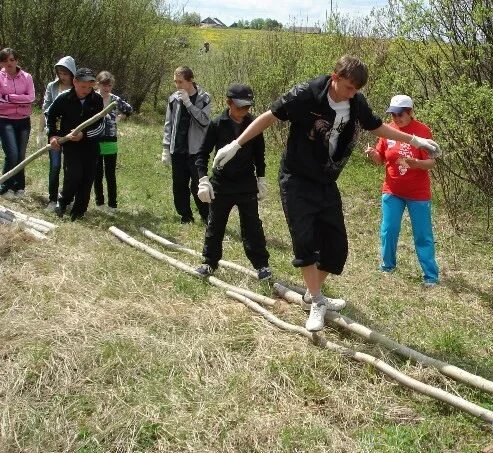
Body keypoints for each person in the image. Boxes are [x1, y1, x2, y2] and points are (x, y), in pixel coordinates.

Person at [211, 55, 440, 331]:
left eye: (356, 90)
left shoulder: (355, 102)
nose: (352, 94)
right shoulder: (306, 94)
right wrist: (236, 144)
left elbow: (376, 126)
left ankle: (312, 294)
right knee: (305, 238)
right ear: (335, 78)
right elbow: (269, 117)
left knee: (337, 247)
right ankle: (317, 301)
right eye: (348, 88)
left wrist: (415, 140)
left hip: (325, 179)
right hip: (296, 177)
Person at [193, 84, 272, 280]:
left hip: (246, 183)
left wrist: (261, 179)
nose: (244, 111)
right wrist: (203, 180)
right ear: (229, 103)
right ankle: (209, 262)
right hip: (222, 184)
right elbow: (202, 155)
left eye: (247, 107)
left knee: (253, 225)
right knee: (215, 224)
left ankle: (262, 265)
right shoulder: (217, 124)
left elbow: (259, 155)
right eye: (240, 107)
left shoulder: (254, 124)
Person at [364, 95, 440, 286]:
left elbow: (432, 162)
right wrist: (373, 154)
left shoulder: (422, 131)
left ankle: (430, 276)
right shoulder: (387, 130)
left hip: (418, 193)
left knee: (422, 234)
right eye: (393, 114)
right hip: (392, 190)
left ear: (410, 112)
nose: (396, 118)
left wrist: (417, 164)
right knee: (389, 229)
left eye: (400, 114)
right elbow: (381, 159)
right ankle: (387, 266)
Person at [47, 68, 105, 221]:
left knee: (87, 178)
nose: (86, 90)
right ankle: (63, 200)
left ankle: (79, 211)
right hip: (70, 144)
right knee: (74, 175)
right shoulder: (64, 98)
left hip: (90, 145)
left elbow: (100, 126)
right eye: (83, 86)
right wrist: (53, 135)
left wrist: (84, 135)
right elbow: (50, 116)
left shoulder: (97, 100)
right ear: (74, 82)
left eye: (89, 87)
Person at [161, 66, 211, 224]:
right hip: (178, 149)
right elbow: (168, 125)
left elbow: (204, 121)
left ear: (190, 80)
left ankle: (206, 215)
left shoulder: (204, 98)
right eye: (175, 82)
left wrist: (189, 104)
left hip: (196, 150)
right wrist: (166, 148)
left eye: (180, 82)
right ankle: (185, 216)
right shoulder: (173, 98)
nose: (177, 85)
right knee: (179, 185)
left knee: (198, 185)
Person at [93, 70, 133, 213]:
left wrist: (120, 117)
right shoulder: (92, 98)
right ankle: (99, 203)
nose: (106, 88)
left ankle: (112, 204)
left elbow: (129, 109)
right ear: (97, 84)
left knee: (110, 173)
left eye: (109, 85)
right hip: (94, 140)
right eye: (103, 85)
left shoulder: (115, 99)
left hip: (110, 140)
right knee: (97, 173)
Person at [41, 56, 76, 210]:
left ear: (72, 74)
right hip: (54, 131)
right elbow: (45, 108)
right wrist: (40, 131)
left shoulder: (77, 87)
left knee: (69, 167)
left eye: (65, 73)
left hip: (70, 133)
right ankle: (52, 199)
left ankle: (67, 199)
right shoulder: (52, 86)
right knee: (55, 166)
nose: (62, 76)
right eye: (60, 72)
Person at [0, 48, 35, 199]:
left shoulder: (27, 77)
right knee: (12, 153)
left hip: (23, 120)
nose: (9, 63)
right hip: (5, 119)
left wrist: (9, 98)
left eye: (12, 60)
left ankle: (19, 186)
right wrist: (20, 99)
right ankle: (5, 186)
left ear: (17, 61)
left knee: (21, 155)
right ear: (1, 62)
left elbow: (31, 98)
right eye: (6, 60)